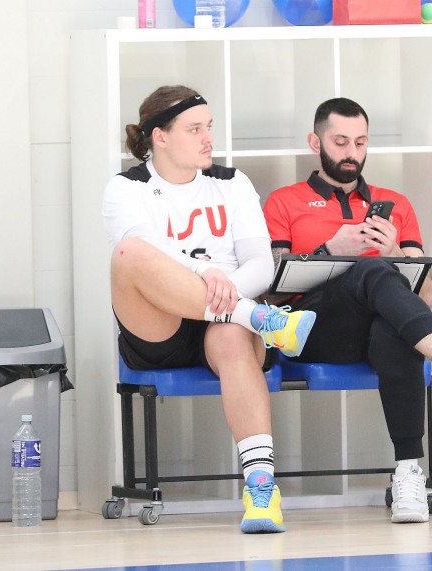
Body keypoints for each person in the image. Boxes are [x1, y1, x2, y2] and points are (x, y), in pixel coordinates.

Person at [263, 98, 432, 523]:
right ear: (315, 143)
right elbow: (270, 293)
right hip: (310, 331)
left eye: (360, 143)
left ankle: (408, 475)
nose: (351, 153)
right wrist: (330, 250)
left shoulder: (395, 204)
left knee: (392, 322)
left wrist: (394, 250)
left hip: (378, 332)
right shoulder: (284, 202)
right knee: (372, 268)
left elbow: (424, 295)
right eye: (340, 142)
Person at [103, 85, 318, 532]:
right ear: (160, 136)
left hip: (224, 323)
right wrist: (206, 274)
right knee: (129, 253)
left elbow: (261, 262)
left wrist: (224, 293)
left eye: (209, 127)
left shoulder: (232, 182)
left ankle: (261, 490)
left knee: (232, 337)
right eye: (194, 129)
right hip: (161, 326)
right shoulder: (126, 187)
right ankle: (261, 319)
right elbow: (146, 251)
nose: (208, 138)